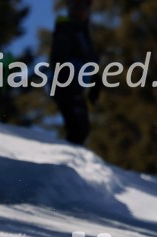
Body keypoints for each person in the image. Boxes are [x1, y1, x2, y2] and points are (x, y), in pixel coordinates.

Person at [49, 0, 99, 145]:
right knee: (78, 129)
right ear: (71, 9)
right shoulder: (66, 30)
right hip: (65, 86)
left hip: (76, 87)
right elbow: (59, 57)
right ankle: (67, 161)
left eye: (84, 7)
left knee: (81, 129)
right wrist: (66, 79)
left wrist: (96, 82)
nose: (82, 11)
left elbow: (90, 61)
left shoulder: (83, 33)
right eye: (77, 7)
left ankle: (71, 159)